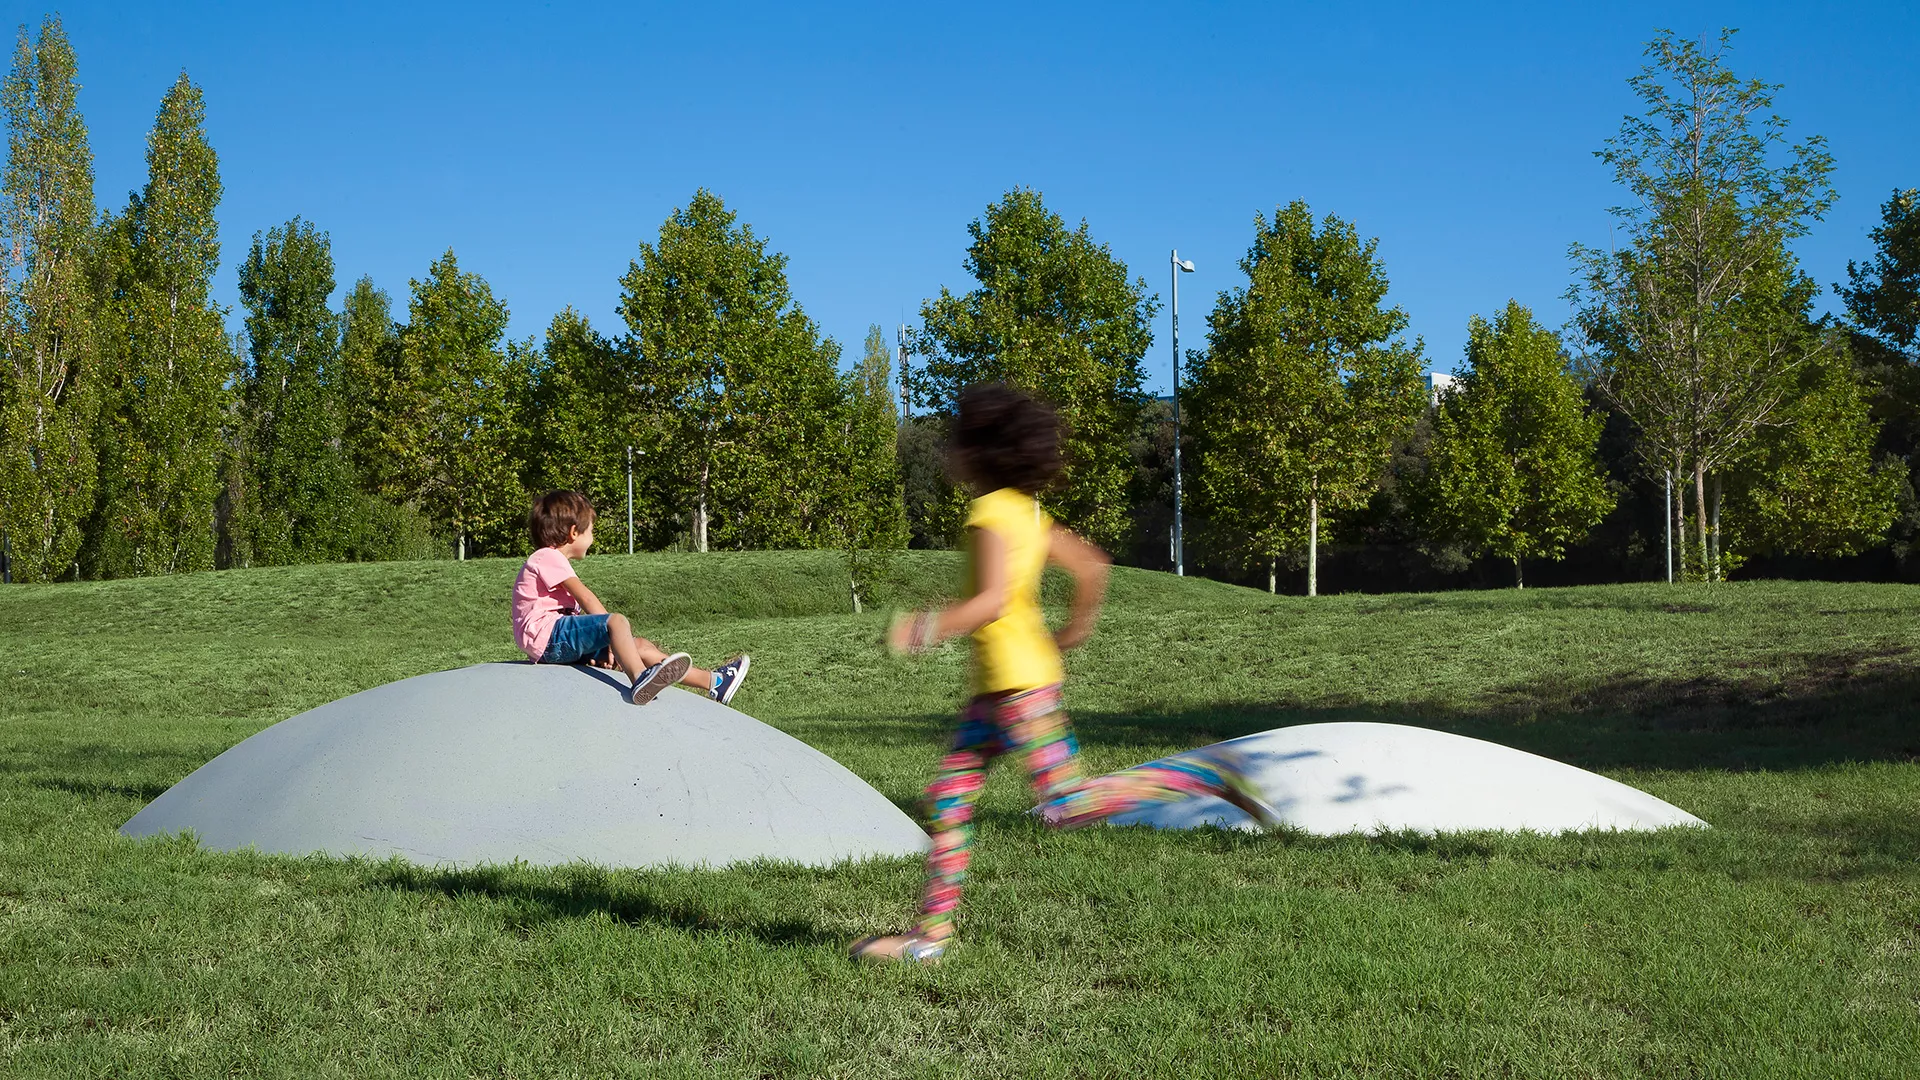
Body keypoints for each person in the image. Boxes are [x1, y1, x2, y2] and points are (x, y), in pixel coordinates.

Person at [851, 384, 1277, 965]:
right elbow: (1091, 564)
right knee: (949, 798)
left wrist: (925, 627)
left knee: (1066, 804)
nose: (949, 447)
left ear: (980, 450)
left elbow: (992, 601)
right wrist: (1072, 631)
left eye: (956, 437)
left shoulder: (988, 514)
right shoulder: (1026, 511)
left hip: (1017, 690)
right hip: (1004, 688)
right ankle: (930, 939)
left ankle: (1205, 771)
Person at [513, 491, 750, 707]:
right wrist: (608, 633)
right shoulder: (546, 556)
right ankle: (640, 679)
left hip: (554, 642)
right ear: (574, 532)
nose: (593, 538)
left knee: (640, 646)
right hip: (547, 637)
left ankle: (714, 682)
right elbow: (585, 596)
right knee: (616, 623)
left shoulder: (551, 561)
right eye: (591, 530)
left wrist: (610, 647)